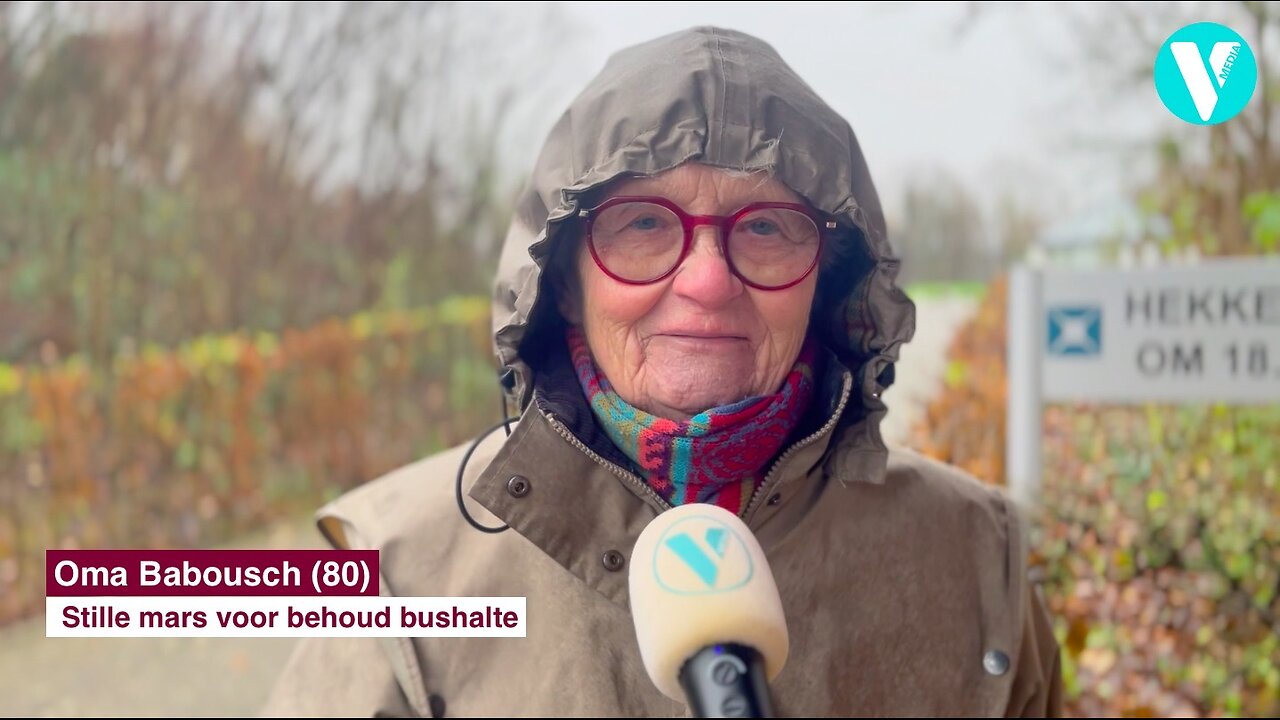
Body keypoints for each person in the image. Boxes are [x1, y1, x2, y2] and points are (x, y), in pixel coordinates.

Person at [264, 26, 1063, 717]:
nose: (708, 281)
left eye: (767, 227)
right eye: (644, 224)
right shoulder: (395, 580)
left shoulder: (973, 559)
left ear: (828, 278)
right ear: (565, 282)